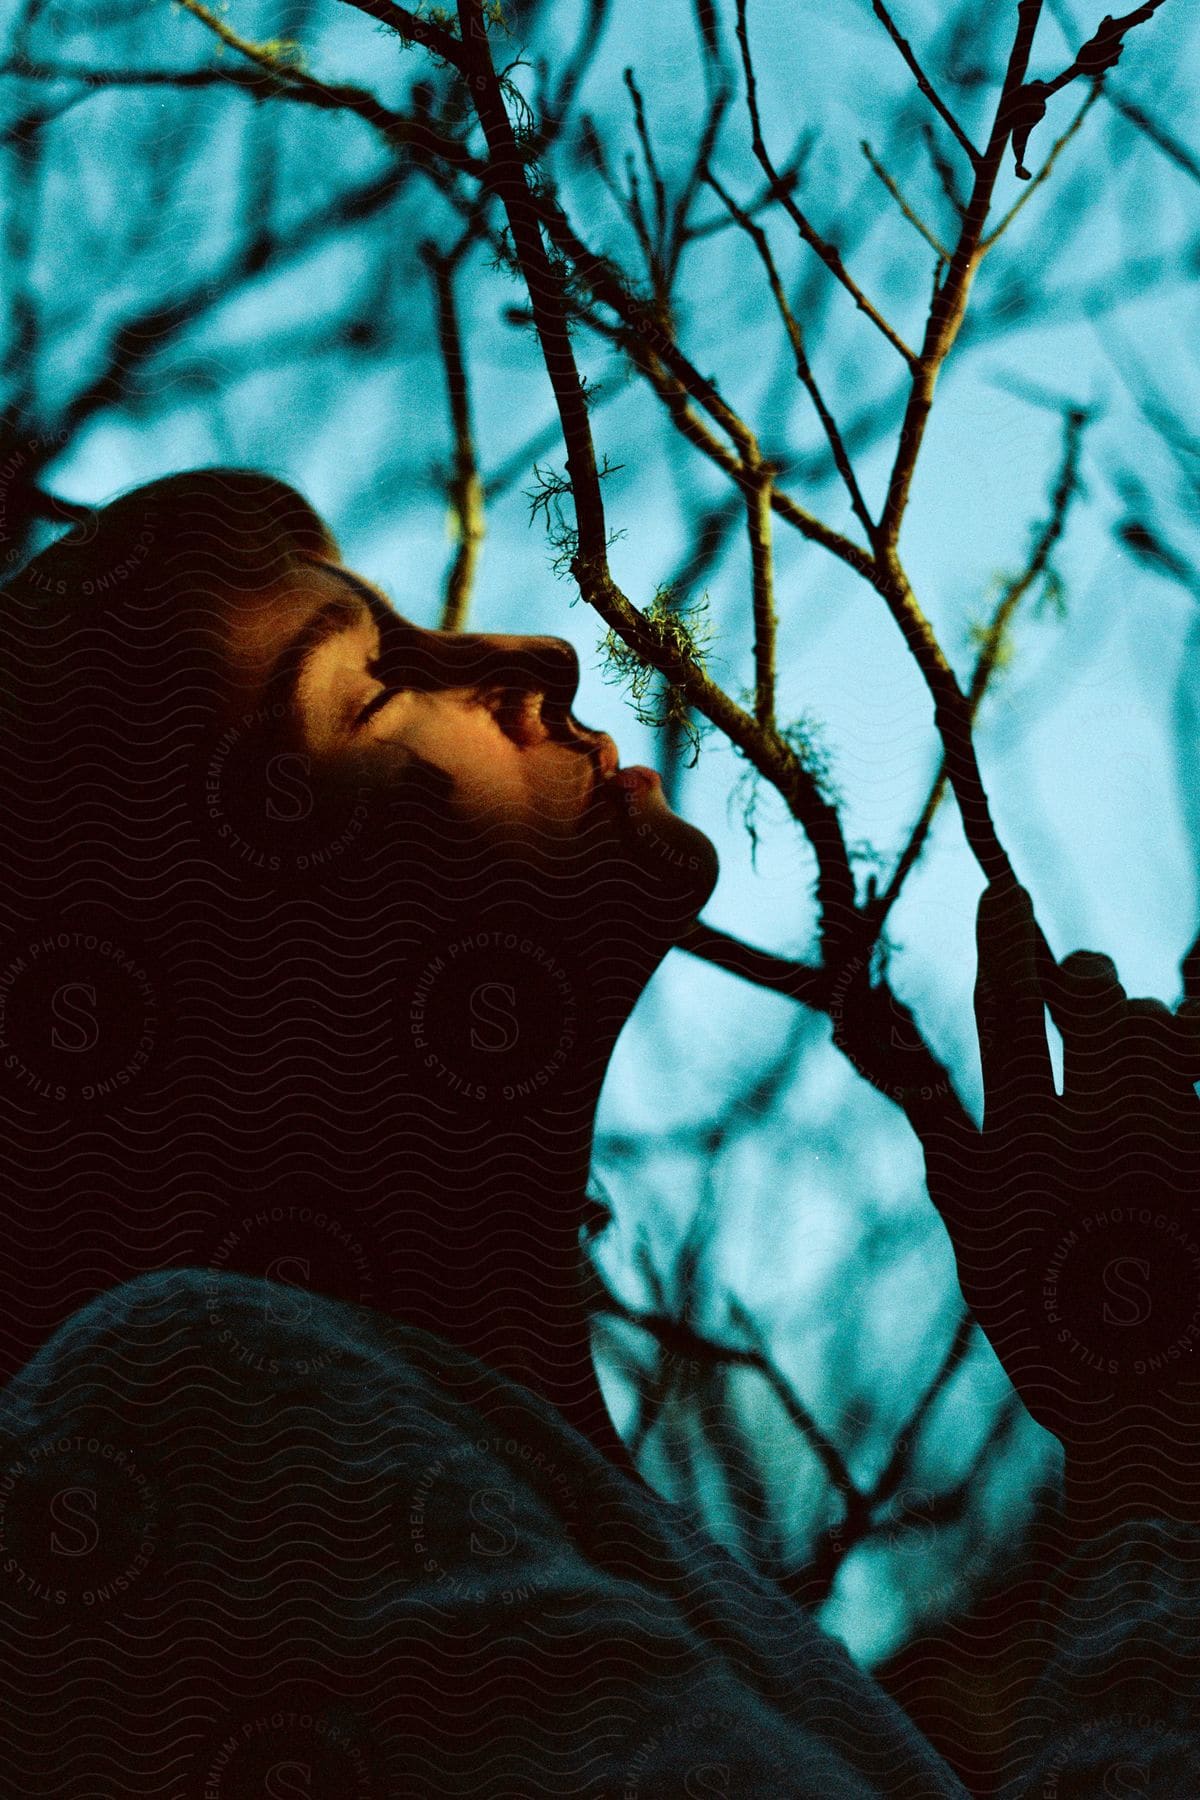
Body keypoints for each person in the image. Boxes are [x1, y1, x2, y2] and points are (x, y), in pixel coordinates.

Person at [0, 468, 1197, 1797]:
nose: (536, 655)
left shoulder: (569, 1519)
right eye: (376, 686)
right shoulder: (194, 1411)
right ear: (220, 975)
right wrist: (1159, 1453)